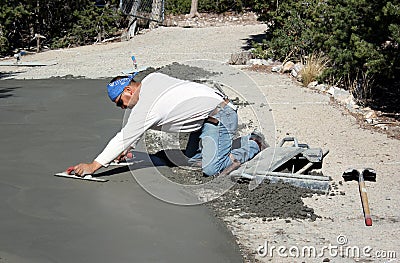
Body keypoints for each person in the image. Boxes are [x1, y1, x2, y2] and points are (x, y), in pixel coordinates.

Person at [73, 72, 267, 177]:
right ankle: (222, 148)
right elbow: (137, 129)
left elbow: (124, 135)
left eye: (120, 102)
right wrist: (129, 147)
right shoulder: (152, 80)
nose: (122, 108)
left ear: (128, 90)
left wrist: (93, 165)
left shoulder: (146, 106)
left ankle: (253, 143)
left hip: (220, 115)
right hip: (203, 119)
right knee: (188, 160)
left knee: (212, 169)